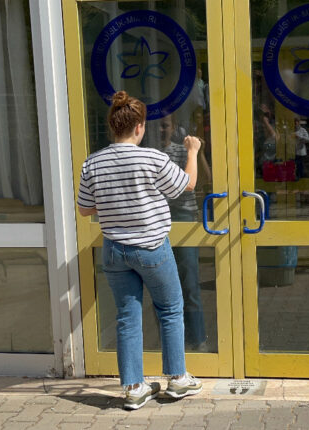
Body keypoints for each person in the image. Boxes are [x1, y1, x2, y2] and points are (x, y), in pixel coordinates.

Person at [77, 91, 203, 410]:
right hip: (151, 247)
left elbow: (85, 209)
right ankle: (177, 379)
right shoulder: (152, 158)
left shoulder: (93, 162)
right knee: (170, 308)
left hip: (114, 250)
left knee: (126, 315)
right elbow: (187, 185)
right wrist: (192, 150)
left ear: (113, 126)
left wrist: (115, 201)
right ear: (139, 127)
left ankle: (134, 387)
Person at [159, 114, 209, 351]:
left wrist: (198, 154)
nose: (161, 130)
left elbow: (204, 180)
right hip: (157, 221)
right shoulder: (149, 154)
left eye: (165, 125)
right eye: (157, 126)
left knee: (189, 283)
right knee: (162, 287)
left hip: (183, 219)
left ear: (174, 127)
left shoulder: (183, 151)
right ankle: (169, 345)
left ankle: (197, 340)